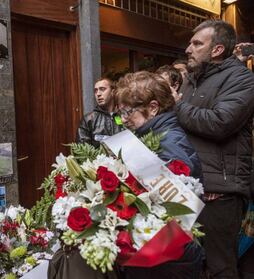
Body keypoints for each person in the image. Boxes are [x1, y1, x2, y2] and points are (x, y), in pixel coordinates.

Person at [174, 19, 254, 278]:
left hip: (220, 193)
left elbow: (220, 123)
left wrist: (176, 105)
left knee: (220, 268)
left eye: (197, 43)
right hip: (187, 188)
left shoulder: (241, 79)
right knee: (189, 265)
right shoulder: (191, 81)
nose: (189, 49)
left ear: (217, 49)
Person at [116, 71, 203, 278]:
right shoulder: (151, 136)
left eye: (127, 112)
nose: (123, 119)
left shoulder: (169, 142)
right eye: (120, 113)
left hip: (170, 259)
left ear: (153, 108)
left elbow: (177, 206)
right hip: (163, 255)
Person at [76, 77, 123, 148]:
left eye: (102, 89)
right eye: (95, 91)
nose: (98, 94)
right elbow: (82, 150)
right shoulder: (89, 119)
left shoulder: (124, 116)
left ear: (113, 92)